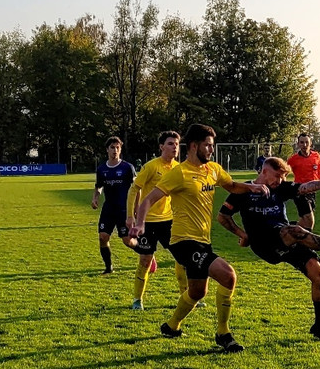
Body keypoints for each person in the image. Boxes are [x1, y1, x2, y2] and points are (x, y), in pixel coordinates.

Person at [130, 123, 270, 353]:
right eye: (208, 145)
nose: (211, 150)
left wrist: (251, 188)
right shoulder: (179, 173)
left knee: (197, 292)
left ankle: (171, 326)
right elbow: (148, 200)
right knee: (228, 276)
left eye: (212, 145)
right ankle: (223, 334)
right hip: (183, 241)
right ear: (194, 146)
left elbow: (231, 186)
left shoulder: (213, 169)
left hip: (203, 240)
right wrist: (139, 223)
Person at [218, 157, 320, 341]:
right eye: (278, 176)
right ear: (264, 171)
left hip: (286, 238)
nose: (281, 180)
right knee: (293, 230)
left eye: (284, 176)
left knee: (319, 275)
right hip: (264, 244)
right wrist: (243, 234)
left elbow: (305, 187)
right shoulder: (244, 190)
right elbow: (223, 216)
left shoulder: (280, 188)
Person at [126, 130, 184, 309]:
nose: (174, 147)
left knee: (182, 258)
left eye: (176, 144)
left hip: (169, 221)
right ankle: (137, 300)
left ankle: (187, 296)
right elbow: (134, 189)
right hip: (148, 221)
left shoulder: (179, 168)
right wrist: (131, 216)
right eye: (170, 144)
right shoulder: (151, 166)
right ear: (161, 147)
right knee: (145, 260)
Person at [92, 136, 136, 274]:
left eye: (118, 147)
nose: (115, 150)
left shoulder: (127, 168)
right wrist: (95, 198)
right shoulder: (101, 169)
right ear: (107, 149)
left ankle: (146, 251)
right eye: (112, 147)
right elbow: (99, 186)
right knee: (103, 237)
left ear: (120, 150)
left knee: (127, 241)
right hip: (108, 209)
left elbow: (136, 188)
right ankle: (108, 267)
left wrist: (135, 208)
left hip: (123, 209)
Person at [286, 132, 320, 230]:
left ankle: (287, 230)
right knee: (309, 220)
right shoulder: (293, 159)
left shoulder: (316, 156)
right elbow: (284, 174)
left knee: (304, 220)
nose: (304, 145)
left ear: (311, 143)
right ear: (298, 144)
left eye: (306, 142)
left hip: (312, 191)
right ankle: (307, 238)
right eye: (302, 142)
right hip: (300, 192)